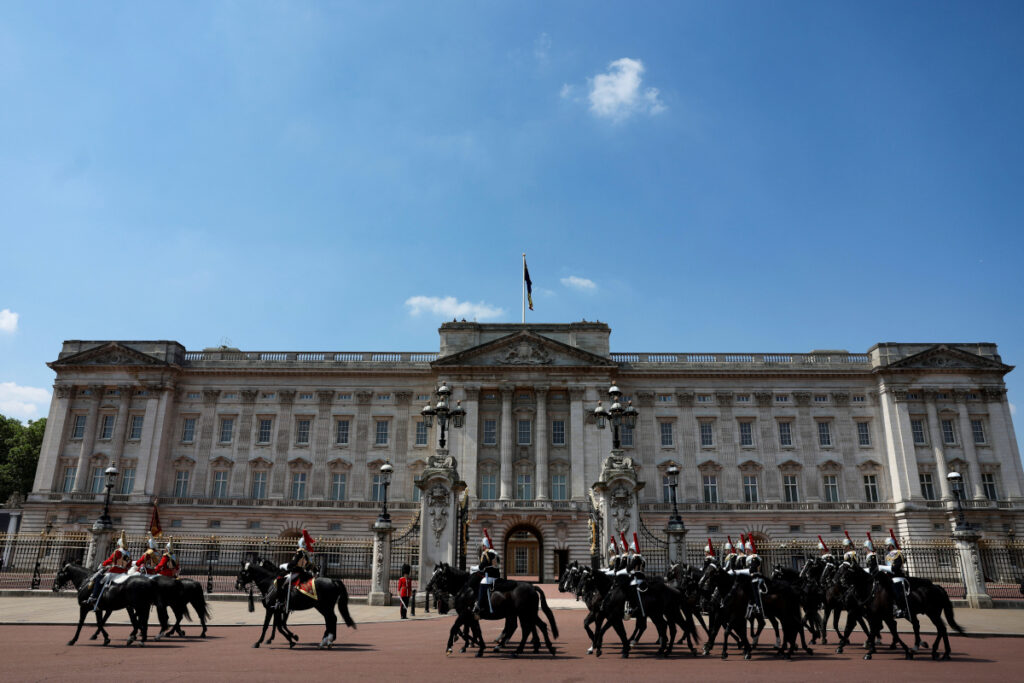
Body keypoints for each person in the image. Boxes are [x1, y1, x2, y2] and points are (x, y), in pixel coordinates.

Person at [86, 530, 131, 611]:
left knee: (98, 578)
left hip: (114, 572)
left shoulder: (118, 551)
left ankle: (94, 597)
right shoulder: (127, 553)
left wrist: (103, 564)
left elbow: (110, 560)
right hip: (123, 573)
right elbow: (129, 564)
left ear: (119, 544)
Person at [273, 529, 316, 612]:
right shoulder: (307, 554)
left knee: (279, 581)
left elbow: (293, 564)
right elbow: (309, 566)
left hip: (296, 572)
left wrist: (284, 566)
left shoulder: (300, 553)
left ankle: (280, 601)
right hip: (303, 573)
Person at [880, 529, 910, 618]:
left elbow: (896, 567)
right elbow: (888, 567)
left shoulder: (898, 553)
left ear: (891, 545)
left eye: (887, 545)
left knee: (896, 591)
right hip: (889, 577)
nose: (885, 547)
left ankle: (902, 609)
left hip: (898, 577)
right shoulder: (887, 556)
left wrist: (883, 568)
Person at [474, 528, 499, 617]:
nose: (482, 547)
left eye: (483, 546)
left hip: (490, 576)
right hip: (496, 575)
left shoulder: (486, 554)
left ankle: (479, 605)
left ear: (485, 545)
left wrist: (474, 567)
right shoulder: (494, 553)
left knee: (482, 583)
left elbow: (481, 567)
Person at [746, 535, 765, 617]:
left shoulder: (755, 558)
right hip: (751, 578)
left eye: (746, 549)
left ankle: (759, 607)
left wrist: (752, 573)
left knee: (755, 591)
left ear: (750, 549)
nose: (745, 550)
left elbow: (755, 569)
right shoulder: (749, 558)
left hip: (756, 578)